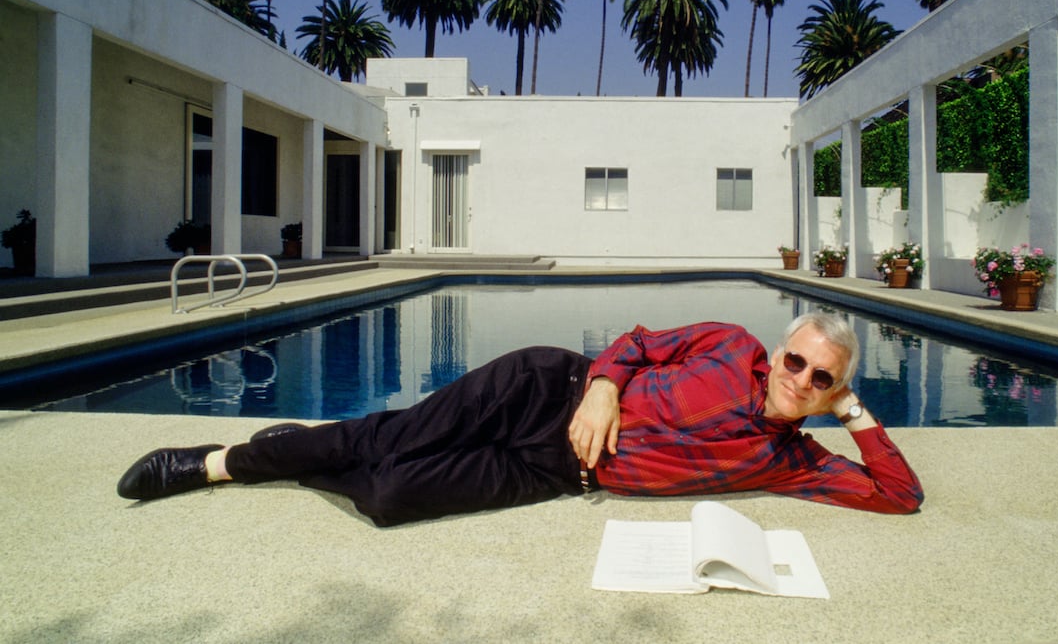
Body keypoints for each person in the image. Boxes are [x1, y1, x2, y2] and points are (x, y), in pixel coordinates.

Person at [117, 313, 923, 526]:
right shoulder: (730, 345)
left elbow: (900, 495)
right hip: (551, 389)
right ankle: (217, 461)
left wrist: (855, 415)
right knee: (390, 439)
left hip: (556, 472)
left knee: (389, 497)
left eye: (822, 380)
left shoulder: (796, 463)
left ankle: (294, 449)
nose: (802, 379)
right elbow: (639, 344)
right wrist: (604, 387)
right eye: (800, 362)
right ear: (780, 351)